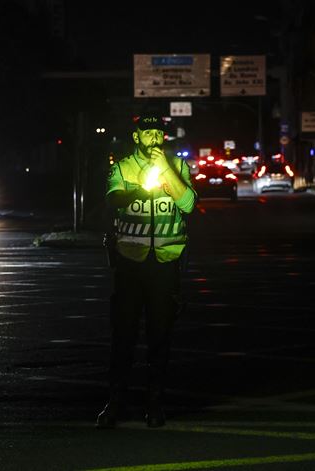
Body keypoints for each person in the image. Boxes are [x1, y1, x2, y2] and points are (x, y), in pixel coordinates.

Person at [96, 114, 197, 429]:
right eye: (147, 133)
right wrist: (139, 191)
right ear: (136, 136)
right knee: (123, 334)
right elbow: (113, 199)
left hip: (165, 262)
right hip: (130, 262)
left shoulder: (177, 167)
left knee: (160, 335)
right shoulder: (123, 167)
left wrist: (166, 169)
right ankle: (116, 402)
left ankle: (155, 403)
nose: (154, 138)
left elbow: (189, 204)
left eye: (158, 133)